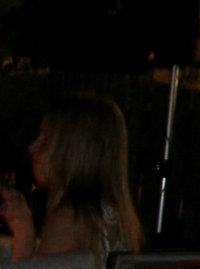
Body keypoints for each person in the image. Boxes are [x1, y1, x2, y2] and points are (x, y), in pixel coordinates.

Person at [1, 95, 143, 260]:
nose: (32, 148)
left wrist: (23, 230)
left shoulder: (70, 220)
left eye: (45, 141)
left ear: (71, 153)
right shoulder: (111, 215)